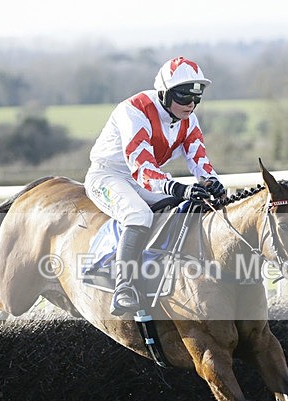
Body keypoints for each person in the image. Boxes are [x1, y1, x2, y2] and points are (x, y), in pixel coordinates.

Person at [84, 56, 225, 316]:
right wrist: (179, 188)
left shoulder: (188, 118)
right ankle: (123, 287)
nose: (191, 104)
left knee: (183, 206)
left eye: (197, 98)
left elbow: (200, 160)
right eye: (183, 97)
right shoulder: (134, 111)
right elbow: (142, 167)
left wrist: (212, 182)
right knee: (139, 214)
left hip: (144, 179)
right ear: (164, 93)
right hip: (109, 175)